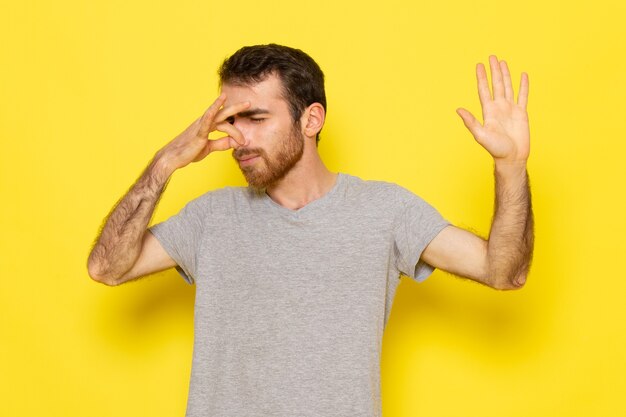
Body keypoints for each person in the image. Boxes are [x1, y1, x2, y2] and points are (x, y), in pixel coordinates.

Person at [87, 44, 533, 417]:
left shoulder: (384, 210)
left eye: (256, 119)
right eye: (230, 121)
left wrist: (510, 167)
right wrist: (166, 163)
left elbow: (503, 272)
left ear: (311, 120)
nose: (238, 138)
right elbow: (107, 267)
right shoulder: (210, 218)